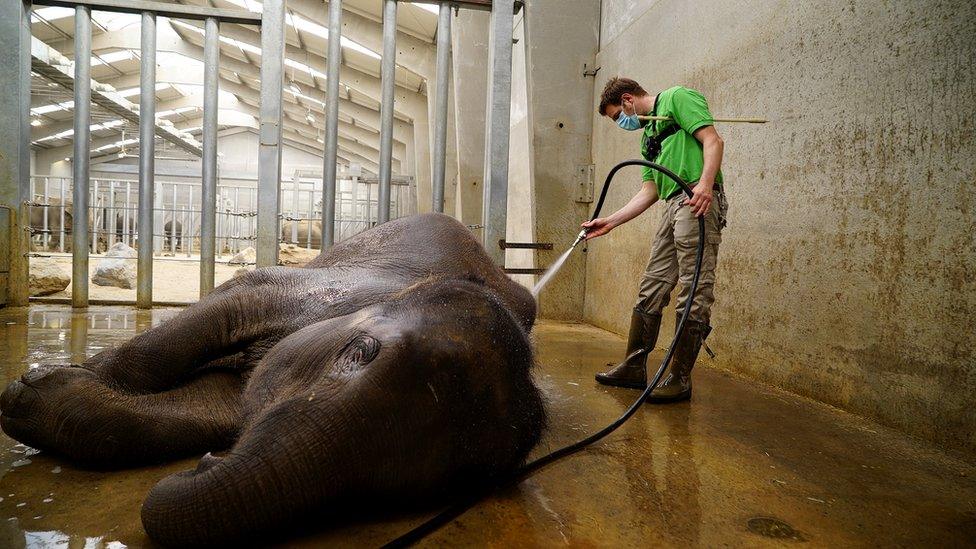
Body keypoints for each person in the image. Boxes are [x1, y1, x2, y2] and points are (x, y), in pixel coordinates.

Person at [583, 77, 728, 403]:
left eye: (617, 115)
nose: (621, 122)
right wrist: (611, 221)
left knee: (694, 289)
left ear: (628, 99)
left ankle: (679, 377)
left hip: (696, 197)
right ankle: (634, 367)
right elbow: (649, 191)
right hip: (670, 205)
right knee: (653, 284)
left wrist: (705, 184)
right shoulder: (648, 137)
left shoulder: (678, 98)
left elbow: (713, 140)